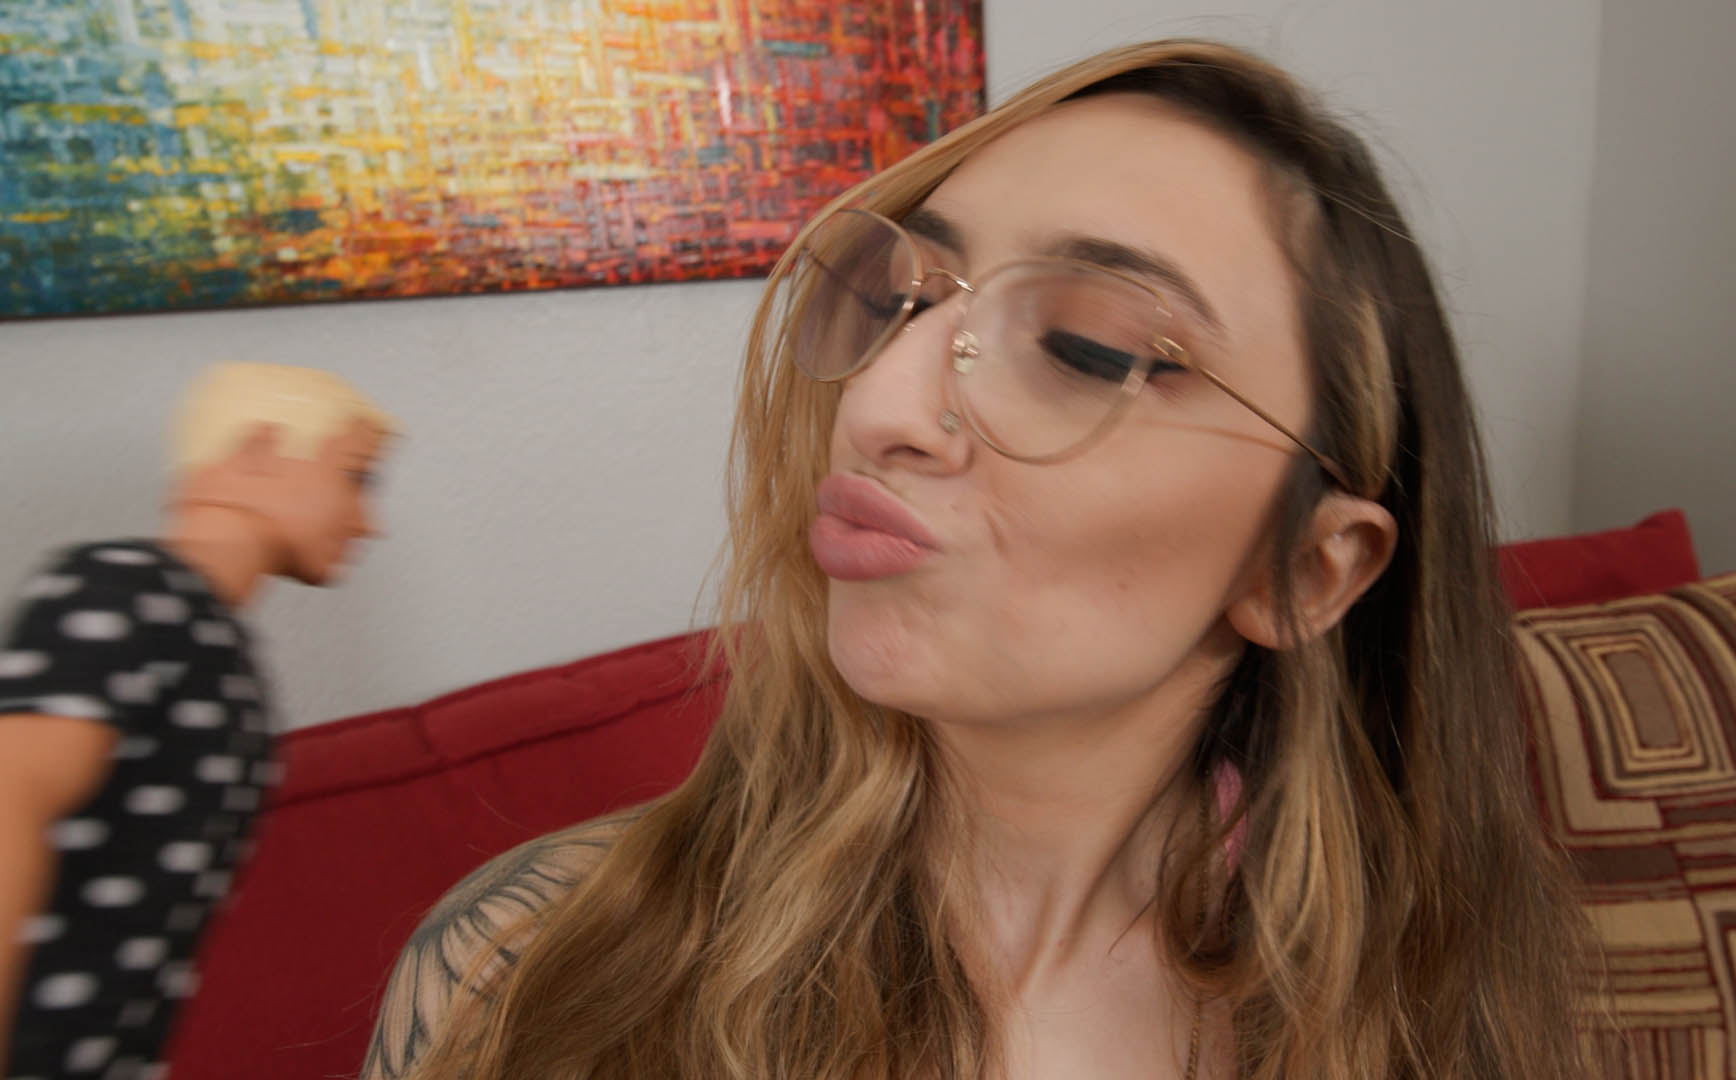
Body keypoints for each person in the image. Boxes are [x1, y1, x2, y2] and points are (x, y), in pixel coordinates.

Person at [364, 40, 1590, 1080]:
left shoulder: (1416, 1023)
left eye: (1087, 348)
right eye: (896, 301)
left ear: (1309, 571)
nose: (877, 405)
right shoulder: (521, 969)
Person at [1, 363, 396, 1078]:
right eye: (355, 477)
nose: (369, 521)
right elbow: (11, 799)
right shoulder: (119, 587)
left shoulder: (223, 653)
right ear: (258, 452)